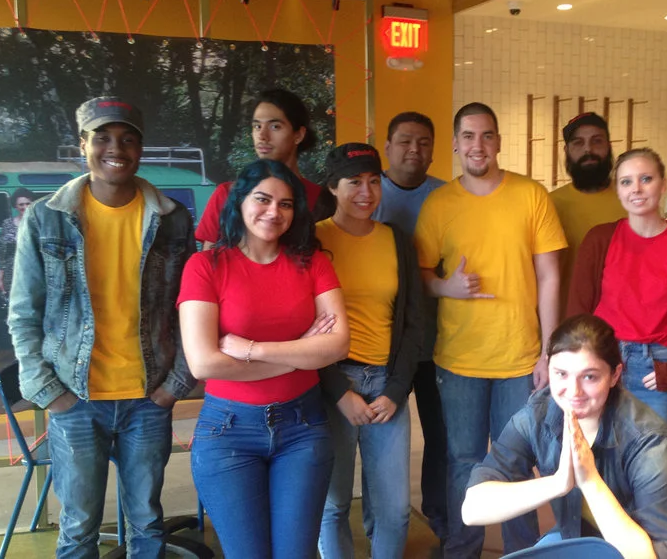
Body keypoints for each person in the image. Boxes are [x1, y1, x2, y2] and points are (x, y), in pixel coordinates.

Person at [9, 96, 197, 559]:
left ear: (140, 148)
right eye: (104, 137)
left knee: (147, 522)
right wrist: (47, 389)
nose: (116, 148)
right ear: (83, 145)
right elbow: (23, 312)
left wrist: (176, 383)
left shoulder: (172, 220)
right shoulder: (46, 217)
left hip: (148, 398)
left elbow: (191, 309)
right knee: (78, 527)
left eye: (128, 139)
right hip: (75, 399)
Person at [462, 316, 667, 559]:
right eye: (561, 374)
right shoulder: (536, 416)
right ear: (547, 368)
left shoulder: (648, 439)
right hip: (600, 538)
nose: (573, 391)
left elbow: (655, 555)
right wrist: (557, 483)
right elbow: (472, 510)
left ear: (614, 375)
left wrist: (590, 480)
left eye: (589, 377)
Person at [178, 159, 350, 558]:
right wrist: (301, 353)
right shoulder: (205, 266)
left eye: (286, 204)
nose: (274, 212)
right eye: (263, 199)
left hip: (302, 428)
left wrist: (255, 350)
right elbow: (203, 364)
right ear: (240, 202)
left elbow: (337, 344)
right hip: (228, 432)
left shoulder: (313, 263)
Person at [416, 102, 567, 557]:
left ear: (498, 142)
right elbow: (421, 274)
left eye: (486, 136)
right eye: (468, 136)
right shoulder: (440, 202)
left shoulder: (531, 195)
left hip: (520, 359)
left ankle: (522, 552)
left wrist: (548, 353)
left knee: (517, 463)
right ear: (457, 144)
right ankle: (462, 549)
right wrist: (448, 287)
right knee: (463, 461)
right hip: (459, 360)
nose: (477, 145)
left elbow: (550, 277)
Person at [310, 144, 433, 559]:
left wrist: (395, 391)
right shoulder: (314, 239)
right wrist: (338, 391)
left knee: (395, 510)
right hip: (333, 383)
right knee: (333, 505)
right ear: (333, 187)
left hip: (386, 386)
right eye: (354, 182)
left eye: (373, 181)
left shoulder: (396, 240)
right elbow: (303, 325)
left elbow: (413, 322)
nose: (366, 192)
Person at [563, 149, 667, 429]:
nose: (636, 189)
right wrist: (581, 366)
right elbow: (578, 310)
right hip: (603, 362)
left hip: (659, 370)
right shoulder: (600, 239)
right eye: (626, 181)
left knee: (657, 467)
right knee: (598, 461)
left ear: (663, 184)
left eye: (646, 179)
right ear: (618, 190)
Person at [368, 110, 459, 541]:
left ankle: (441, 520)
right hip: (384, 344)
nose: (414, 150)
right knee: (381, 438)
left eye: (424, 142)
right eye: (405, 141)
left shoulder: (448, 197)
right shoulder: (368, 194)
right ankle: (378, 521)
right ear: (387, 147)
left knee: (441, 438)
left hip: (441, 342)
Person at [195, 88, 332, 244]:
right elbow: (209, 262)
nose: (262, 136)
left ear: (298, 135)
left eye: (275, 127)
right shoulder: (227, 194)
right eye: (257, 126)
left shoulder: (321, 199)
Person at [546, 113, 627, 257]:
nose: (588, 149)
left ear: (608, 146)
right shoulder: (550, 205)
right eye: (578, 142)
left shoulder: (632, 200)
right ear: (567, 150)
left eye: (597, 141)